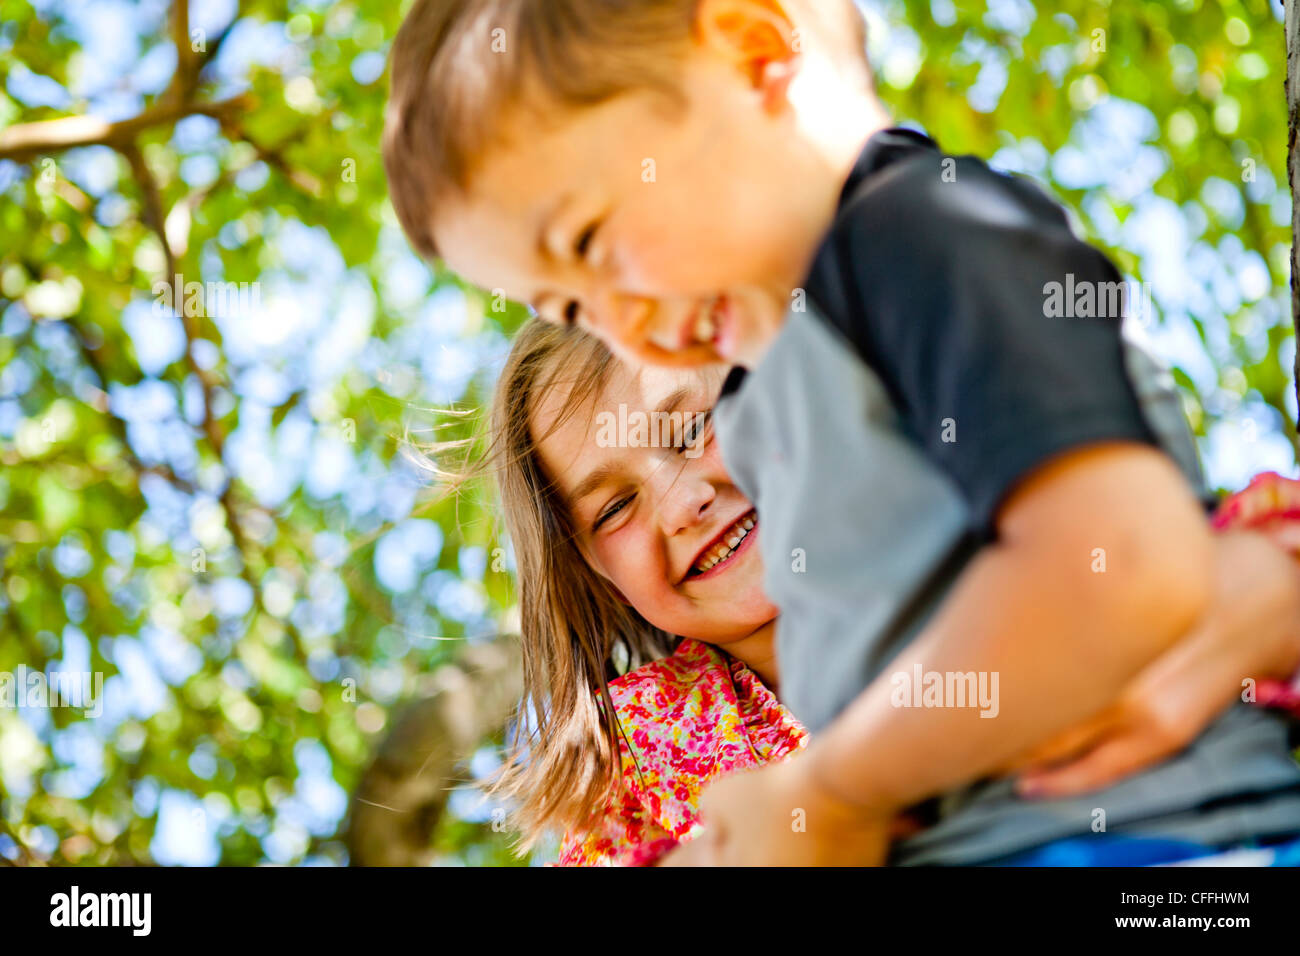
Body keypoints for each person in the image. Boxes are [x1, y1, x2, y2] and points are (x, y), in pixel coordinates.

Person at [383, 0, 1300, 864]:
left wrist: (835, 790)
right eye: (572, 305)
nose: (620, 326)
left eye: (591, 242)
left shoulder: (916, 232)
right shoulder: (773, 392)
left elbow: (1127, 562)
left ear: (753, 54)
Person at [469, 320, 1300, 866]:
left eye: (692, 429)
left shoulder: (979, 526)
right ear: (594, 577)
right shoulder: (635, 763)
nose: (682, 503)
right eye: (614, 506)